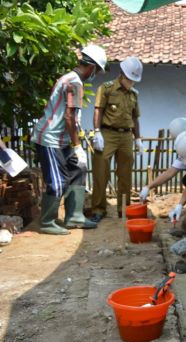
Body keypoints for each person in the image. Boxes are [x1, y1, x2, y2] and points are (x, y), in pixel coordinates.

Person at [31, 45, 107, 234]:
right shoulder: (74, 83)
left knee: (78, 169)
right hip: (50, 139)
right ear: (91, 67)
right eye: (97, 71)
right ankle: (47, 222)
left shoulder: (70, 79)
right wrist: (77, 146)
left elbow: (72, 118)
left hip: (62, 139)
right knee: (58, 183)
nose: (95, 74)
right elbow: (69, 117)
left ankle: (74, 216)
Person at [90, 56, 144, 222]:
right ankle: (98, 210)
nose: (132, 82)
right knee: (100, 172)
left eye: (134, 80)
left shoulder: (134, 94)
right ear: (122, 74)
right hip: (107, 133)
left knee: (125, 175)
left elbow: (135, 118)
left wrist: (137, 139)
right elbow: (98, 110)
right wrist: (97, 131)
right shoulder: (106, 88)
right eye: (130, 79)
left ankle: (123, 209)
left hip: (126, 135)